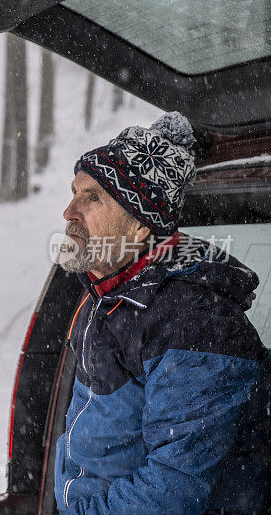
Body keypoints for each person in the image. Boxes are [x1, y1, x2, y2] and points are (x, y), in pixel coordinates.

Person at [54, 112, 270, 513]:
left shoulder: (193, 321)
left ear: (140, 228)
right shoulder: (104, 294)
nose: (69, 211)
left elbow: (171, 492)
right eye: (74, 191)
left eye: (93, 197)